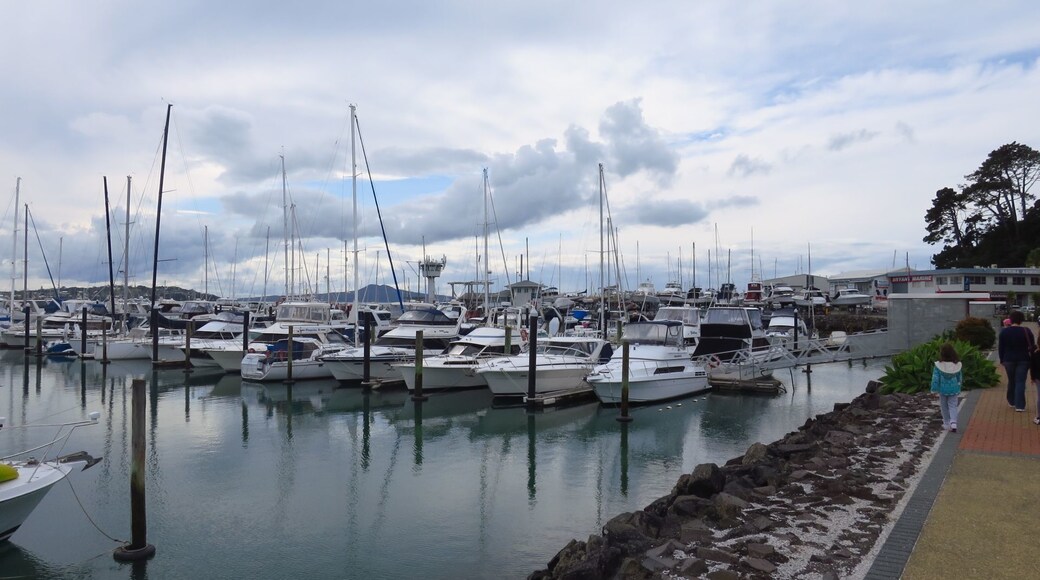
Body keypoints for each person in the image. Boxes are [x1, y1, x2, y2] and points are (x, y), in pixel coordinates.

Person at [998, 310, 1036, 412]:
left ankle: (1011, 401)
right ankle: (1020, 405)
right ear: (1021, 320)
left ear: (1011, 319)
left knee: (1011, 380)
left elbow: (1001, 347)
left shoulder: (1004, 331)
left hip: (1008, 360)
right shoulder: (1026, 331)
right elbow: (1032, 346)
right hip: (1024, 359)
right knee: (1020, 381)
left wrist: (1001, 359)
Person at [931, 342, 963, 432]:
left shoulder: (938, 365)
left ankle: (946, 423)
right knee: (953, 405)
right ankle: (954, 422)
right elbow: (959, 377)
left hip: (942, 389)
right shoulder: (957, 365)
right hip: (954, 388)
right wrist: (959, 385)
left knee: (944, 406)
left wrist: (934, 389)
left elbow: (935, 378)